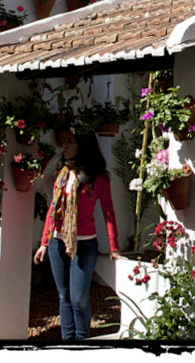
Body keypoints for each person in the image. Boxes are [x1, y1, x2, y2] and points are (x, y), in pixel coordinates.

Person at [33, 130, 121, 340]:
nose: (65, 145)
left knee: (79, 298)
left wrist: (114, 246)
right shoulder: (61, 173)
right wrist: (44, 243)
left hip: (84, 245)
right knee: (64, 296)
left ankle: (83, 341)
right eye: (65, 141)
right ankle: (67, 340)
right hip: (57, 243)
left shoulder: (98, 178)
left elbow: (108, 212)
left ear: (83, 146)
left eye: (70, 142)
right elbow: (53, 210)